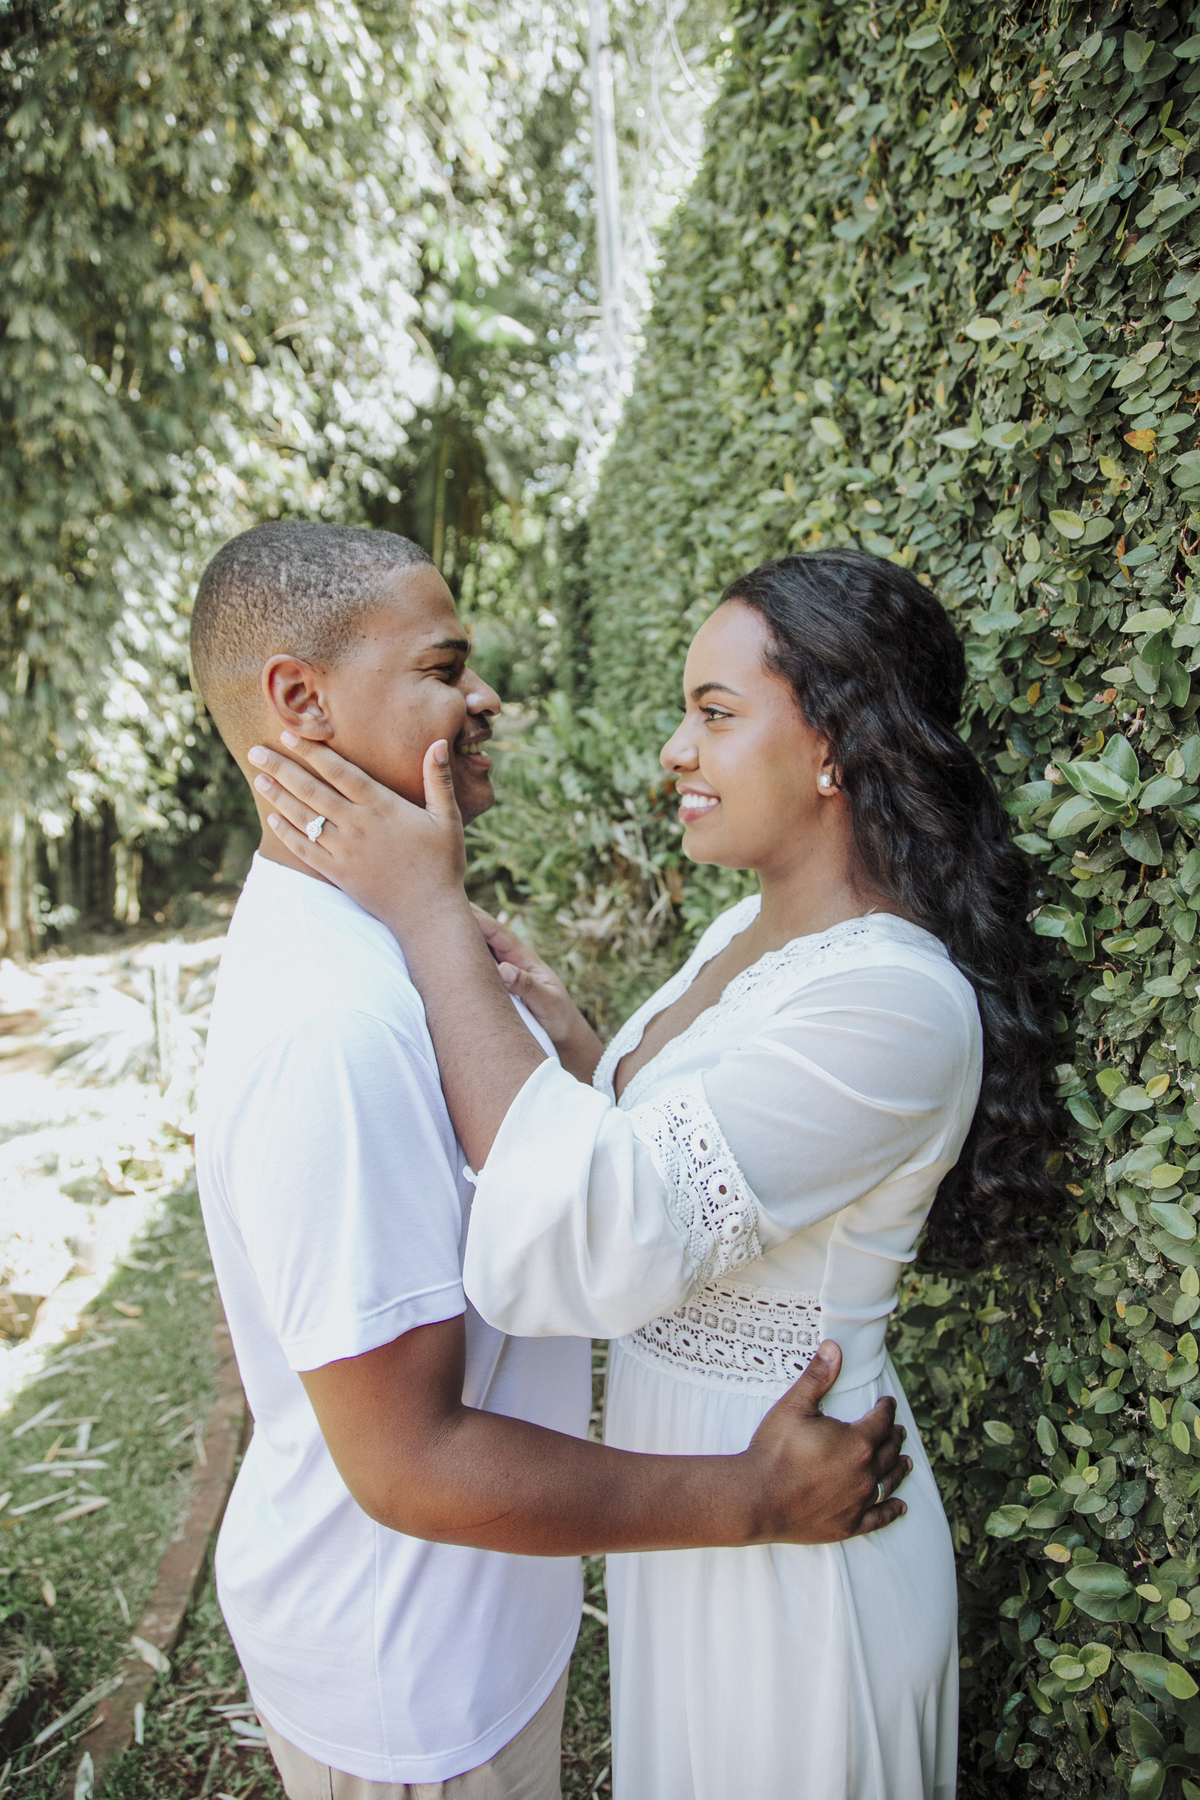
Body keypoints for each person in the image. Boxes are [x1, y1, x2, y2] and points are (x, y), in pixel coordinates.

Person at [251, 547, 1062, 1800]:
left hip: (801, 1521)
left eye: (714, 714)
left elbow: (597, 1235)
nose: (675, 752)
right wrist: (582, 1050)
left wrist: (428, 915)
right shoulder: (749, 929)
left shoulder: (897, 1003)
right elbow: (663, 1161)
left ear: (839, 743)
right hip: (696, 1492)